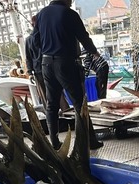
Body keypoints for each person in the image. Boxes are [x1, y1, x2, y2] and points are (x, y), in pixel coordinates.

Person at [34, 0, 103, 150]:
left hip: (46, 63)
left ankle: (54, 142)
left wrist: (48, 50)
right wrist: (95, 53)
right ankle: (90, 141)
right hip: (65, 63)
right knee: (79, 103)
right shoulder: (69, 14)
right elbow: (83, 37)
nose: (71, 2)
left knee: (52, 104)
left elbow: (35, 40)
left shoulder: (41, 14)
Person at [26, 15, 47, 106]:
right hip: (48, 67)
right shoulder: (46, 35)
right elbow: (28, 57)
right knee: (57, 92)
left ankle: (52, 115)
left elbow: (28, 58)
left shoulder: (29, 40)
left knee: (45, 95)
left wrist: (30, 73)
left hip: (39, 70)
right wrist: (30, 72)